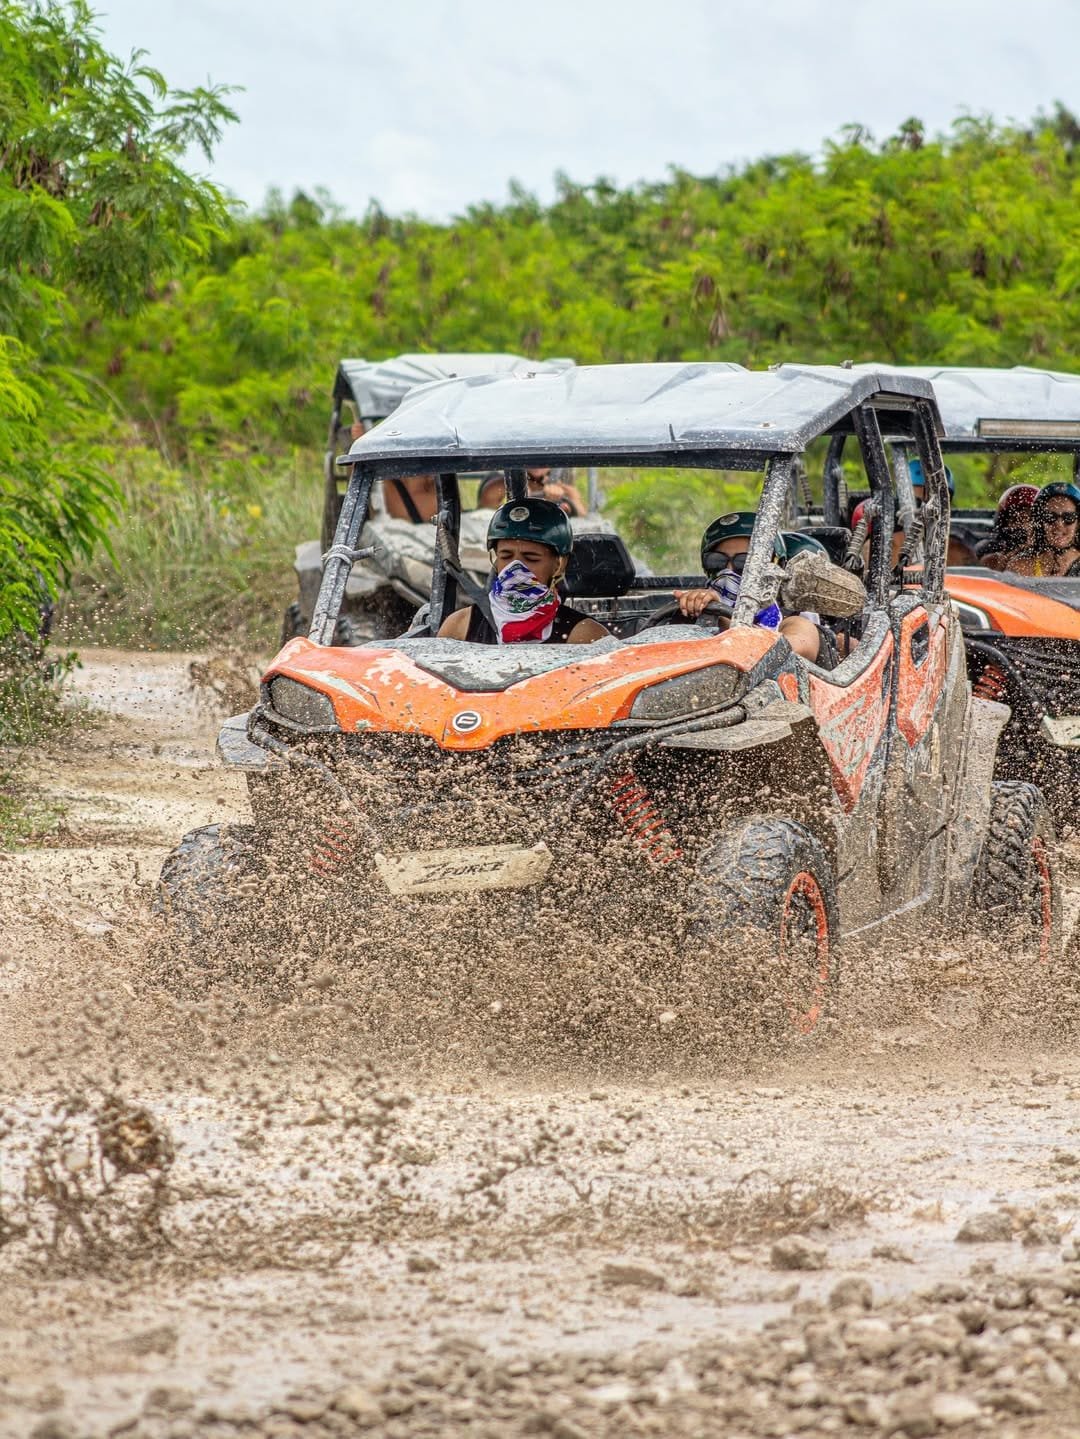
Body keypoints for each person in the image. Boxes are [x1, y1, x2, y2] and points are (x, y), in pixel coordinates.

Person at [438, 498, 608, 644]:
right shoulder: (459, 627)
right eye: (506, 556)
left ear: (558, 565)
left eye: (531, 558)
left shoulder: (584, 636)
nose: (516, 570)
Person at [673, 513, 822, 662]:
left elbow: (785, 650)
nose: (728, 570)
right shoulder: (694, 611)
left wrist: (721, 616)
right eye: (716, 561)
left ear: (775, 568)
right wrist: (692, 609)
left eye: (745, 562)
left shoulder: (794, 623)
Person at [977, 484, 1040, 572]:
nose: (1021, 526)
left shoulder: (1053, 557)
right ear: (1003, 525)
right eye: (1014, 520)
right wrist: (1001, 567)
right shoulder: (993, 559)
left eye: (1028, 519)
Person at [478, 467, 587, 516]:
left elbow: (583, 517)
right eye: (531, 460)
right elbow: (482, 517)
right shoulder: (500, 486)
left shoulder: (565, 490)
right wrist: (514, 499)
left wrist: (554, 505)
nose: (537, 465)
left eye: (545, 458)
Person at [1028, 481, 1080, 577]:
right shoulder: (1022, 566)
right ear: (1040, 522)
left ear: (1078, 523)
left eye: (1068, 517)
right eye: (1050, 517)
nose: (1059, 524)